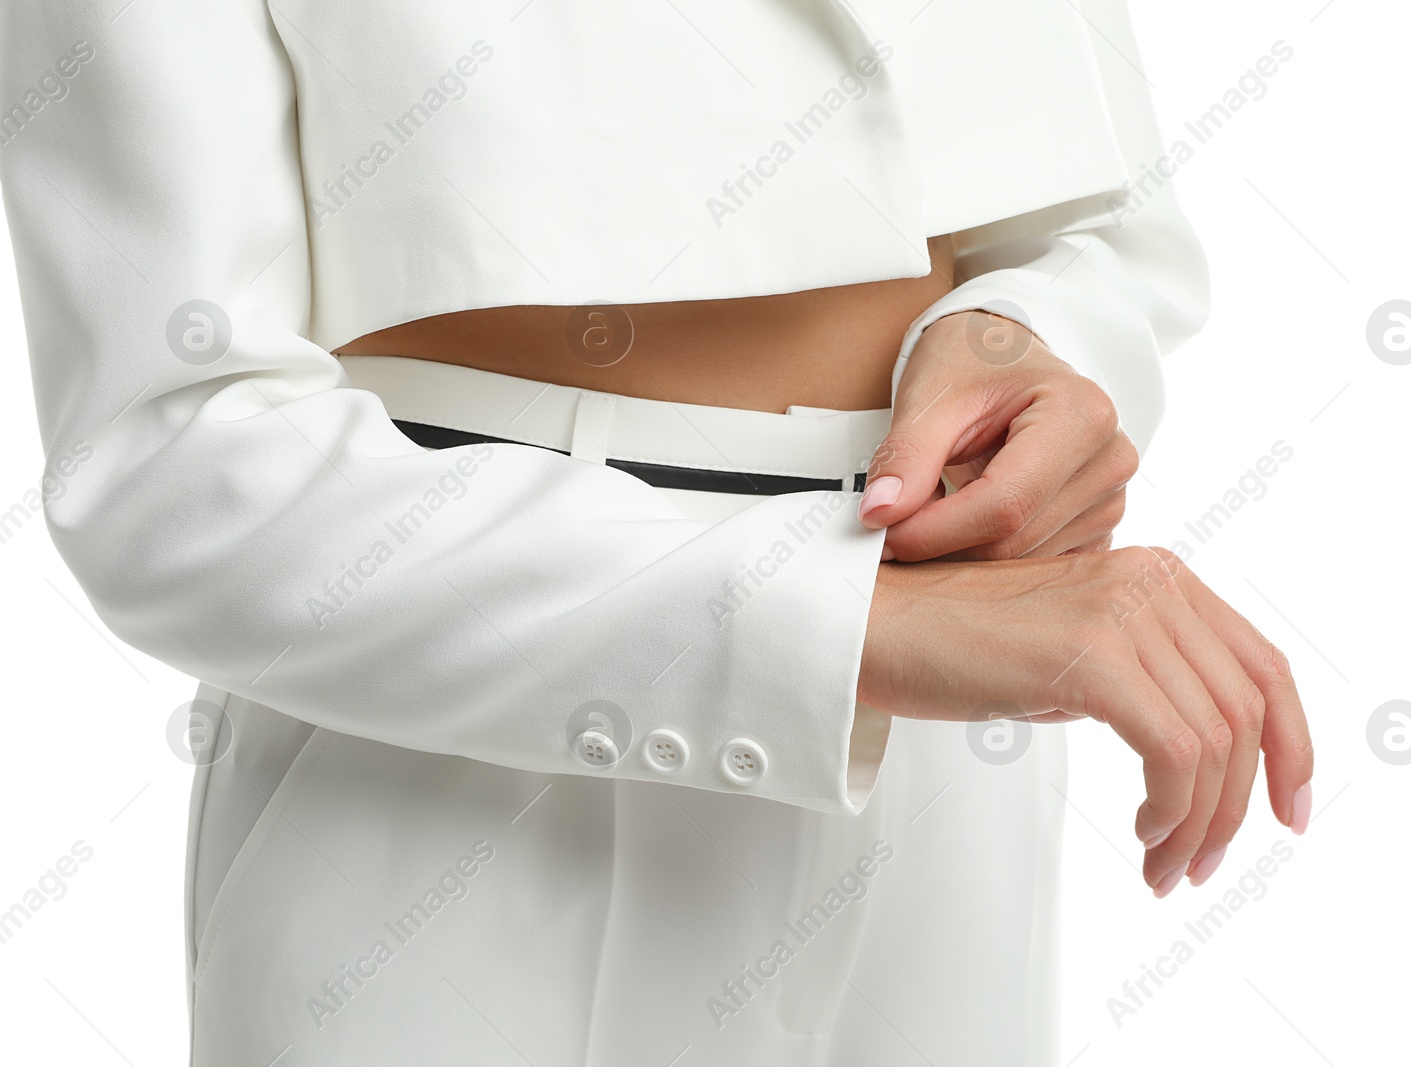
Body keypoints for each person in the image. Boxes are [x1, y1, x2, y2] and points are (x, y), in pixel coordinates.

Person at [0, 1, 1313, 1063]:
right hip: (465, 766)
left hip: (953, 759)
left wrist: (1025, 341)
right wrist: (844, 624)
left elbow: (1108, 221)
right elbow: (169, 463)